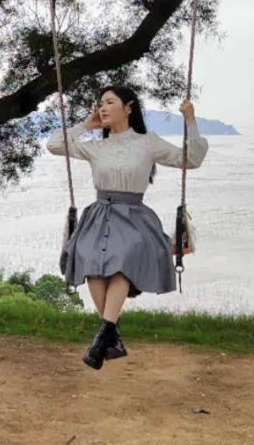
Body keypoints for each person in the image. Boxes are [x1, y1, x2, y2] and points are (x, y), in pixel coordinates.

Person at [47, 85, 208, 370]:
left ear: (129, 108)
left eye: (110, 102)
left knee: (122, 260)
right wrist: (87, 124)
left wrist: (191, 121)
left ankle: (103, 337)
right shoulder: (96, 146)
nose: (103, 107)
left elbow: (191, 159)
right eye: (101, 103)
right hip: (99, 214)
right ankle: (110, 335)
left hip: (134, 216)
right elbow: (55, 144)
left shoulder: (148, 142)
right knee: (89, 263)